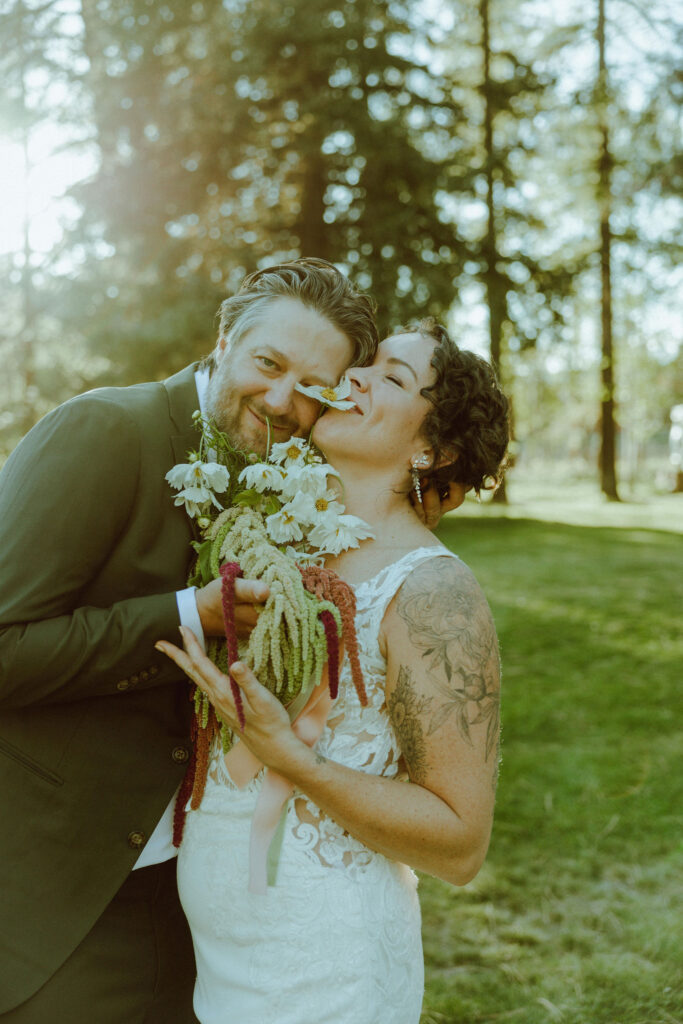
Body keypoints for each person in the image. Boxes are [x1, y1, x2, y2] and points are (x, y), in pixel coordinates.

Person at [0, 259, 383, 1022]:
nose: (280, 401)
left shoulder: (284, 476)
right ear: (223, 340)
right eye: (267, 364)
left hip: (187, 896)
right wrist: (187, 616)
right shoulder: (105, 429)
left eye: (310, 388)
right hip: (50, 890)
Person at [157, 319, 509, 1024]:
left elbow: (460, 843)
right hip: (214, 959)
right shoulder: (273, 539)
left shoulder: (433, 591)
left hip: (324, 969)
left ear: (429, 447)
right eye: (367, 364)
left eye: (394, 378)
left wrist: (297, 761)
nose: (357, 378)